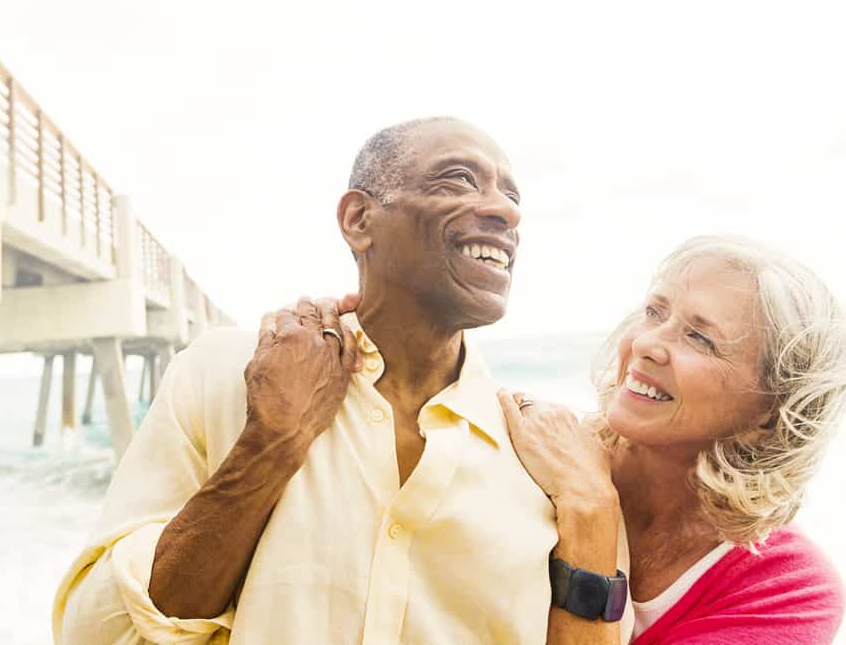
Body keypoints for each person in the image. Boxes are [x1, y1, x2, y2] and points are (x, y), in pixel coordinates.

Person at [52, 117, 634, 644]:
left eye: (510, 196)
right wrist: (269, 444)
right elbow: (95, 633)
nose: (506, 212)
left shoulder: (553, 459)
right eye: (458, 181)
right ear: (359, 220)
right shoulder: (225, 374)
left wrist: (592, 506)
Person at [307, 235, 846, 643]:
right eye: (655, 313)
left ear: (769, 414)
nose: (647, 344)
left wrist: (590, 507)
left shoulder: (789, 587)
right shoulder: (526, 449)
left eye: (699, 338)